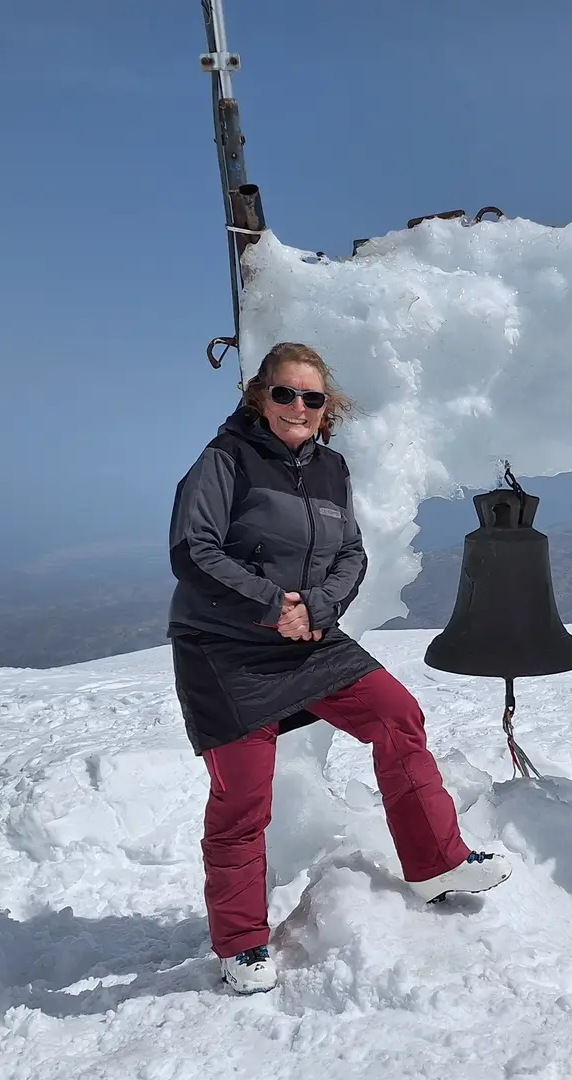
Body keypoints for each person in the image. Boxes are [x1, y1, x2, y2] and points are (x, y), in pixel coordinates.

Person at [167, 341, 511, 996]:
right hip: (225, 648)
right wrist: (273, 605)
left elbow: (351, 553)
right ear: (259, 397)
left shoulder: (331, 469)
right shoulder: (223, 461)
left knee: (397, 715)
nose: (299, 406)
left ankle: (436, 863)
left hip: (310, 635)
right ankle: (240, 944)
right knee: (243, 794)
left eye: (312, 397)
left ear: (327, 410)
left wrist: (317, 607)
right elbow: (193, 550)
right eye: (285, 393)